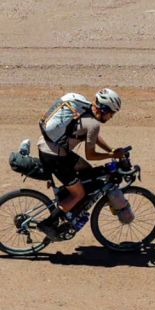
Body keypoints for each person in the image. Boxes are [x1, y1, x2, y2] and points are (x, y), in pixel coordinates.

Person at [36, 88, 125, 238]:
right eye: (112, 113)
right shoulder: (93, 123)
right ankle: (48, 223)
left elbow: (93, 136)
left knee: (87, 170)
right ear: (103, 109)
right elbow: (91, 155)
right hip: (54, 156)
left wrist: (112, 150)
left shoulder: (84, 108)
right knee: (79, 193)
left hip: (46, 145)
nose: (111, 117)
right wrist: (110, 154)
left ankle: (67, 196)